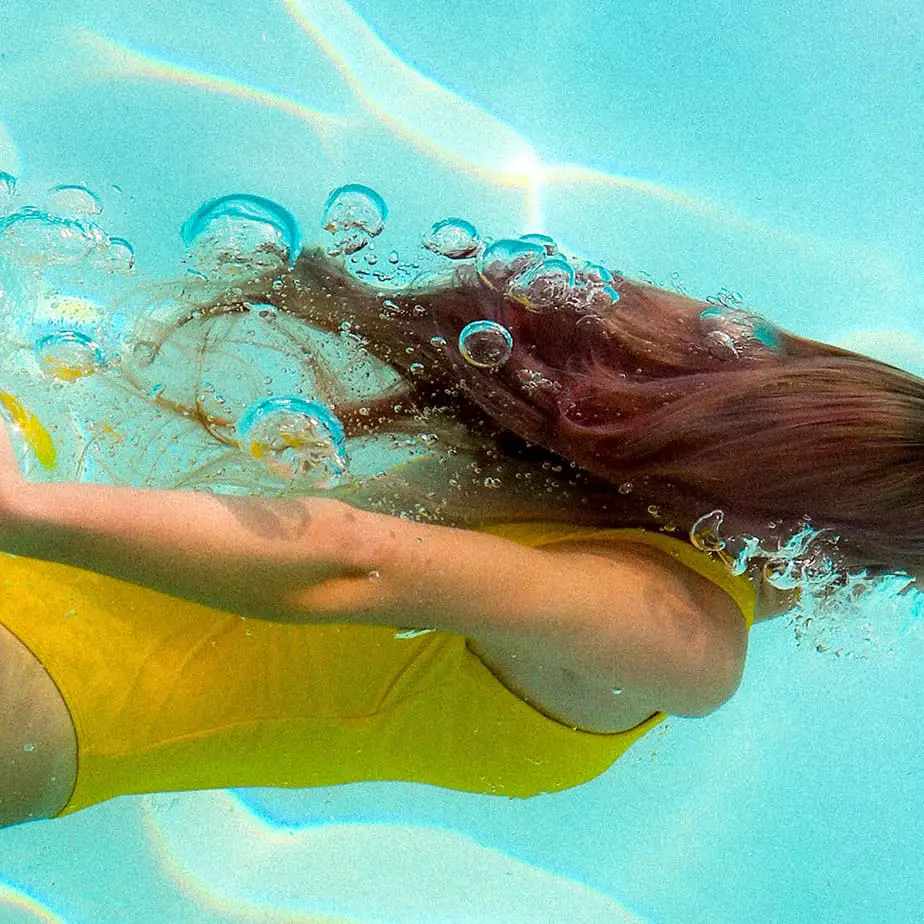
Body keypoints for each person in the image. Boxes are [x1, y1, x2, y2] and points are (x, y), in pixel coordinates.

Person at [0, 230, 921, 830]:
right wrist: (20, 511)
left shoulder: (637, 555)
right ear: (865, 553)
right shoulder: (667, 606)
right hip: (56, 691)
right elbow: (351, 561)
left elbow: (350, 557)